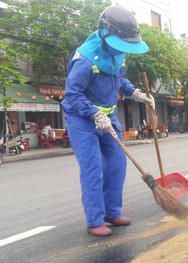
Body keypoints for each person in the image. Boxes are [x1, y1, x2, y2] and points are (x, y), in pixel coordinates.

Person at [61, 5, 155, 237]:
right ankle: (95, 220)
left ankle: (112, 212)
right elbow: (72, 95)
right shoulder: (84, 60)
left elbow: (119, 79)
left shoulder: (117, 52)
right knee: (93, 169)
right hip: (81, 119)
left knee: (116, 164)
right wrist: (93, 113)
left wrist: (138, 94)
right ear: (105, 32)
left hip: (109, 118)